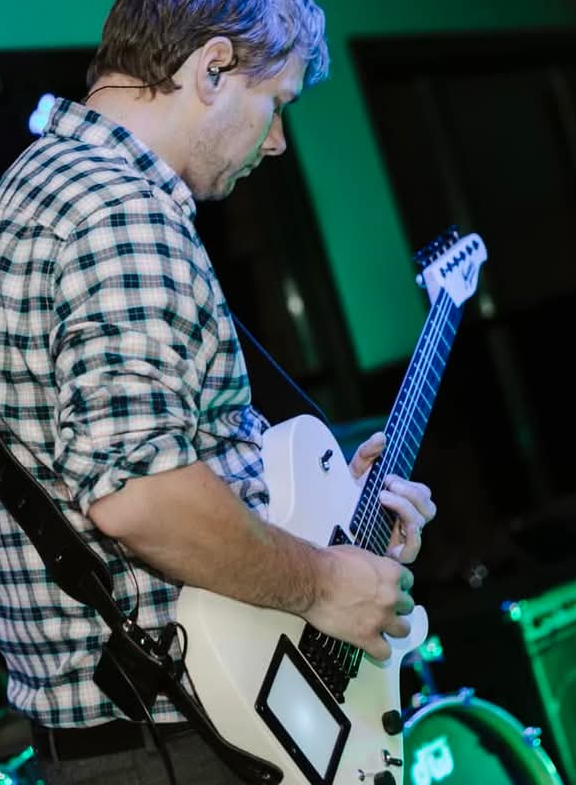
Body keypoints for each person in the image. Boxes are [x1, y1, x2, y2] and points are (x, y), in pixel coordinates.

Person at [0, 0, 436, 783]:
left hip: (141, 735)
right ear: (212, 68)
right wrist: (325, 581)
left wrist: (334, 516)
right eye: (278, 105)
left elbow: (129, 461)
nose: (275, 143)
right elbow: (144, 497)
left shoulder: (46, 188)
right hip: (181, 741)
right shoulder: (119, 214)